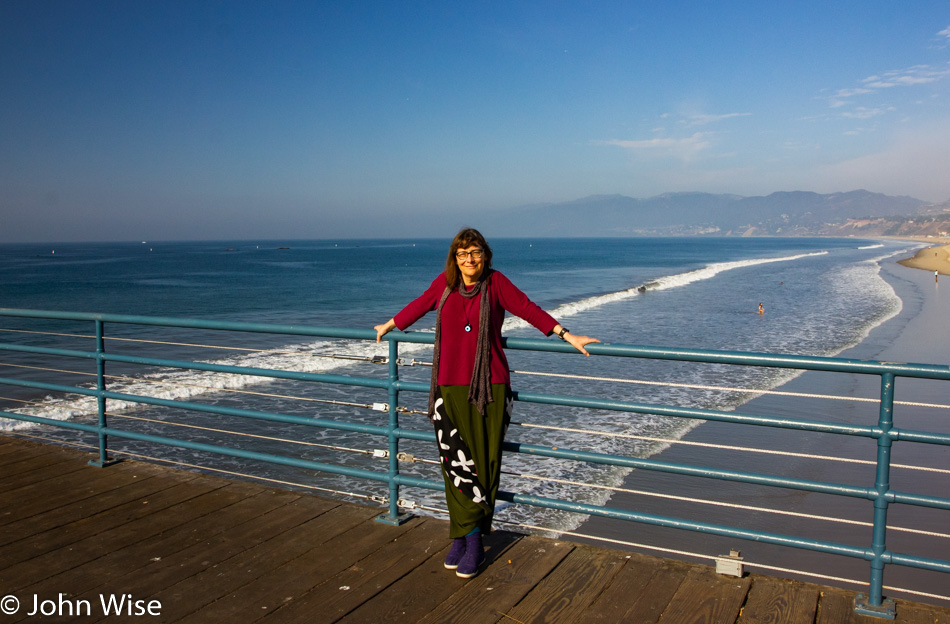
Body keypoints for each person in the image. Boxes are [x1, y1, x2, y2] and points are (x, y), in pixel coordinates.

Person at [374, 227, 599, 578]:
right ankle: (462, 535)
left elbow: (528, 309)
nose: (469, 260)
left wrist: (567, 335)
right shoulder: (443, 284)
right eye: (463, 254)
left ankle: (474, 542)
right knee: (454, 465)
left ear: (485, 255)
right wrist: (388, 324)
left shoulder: (496, 284)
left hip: (488, 388)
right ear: (455, 257)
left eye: (476, 252)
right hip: (447, 387)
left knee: (483, 464)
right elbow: (420, 305)